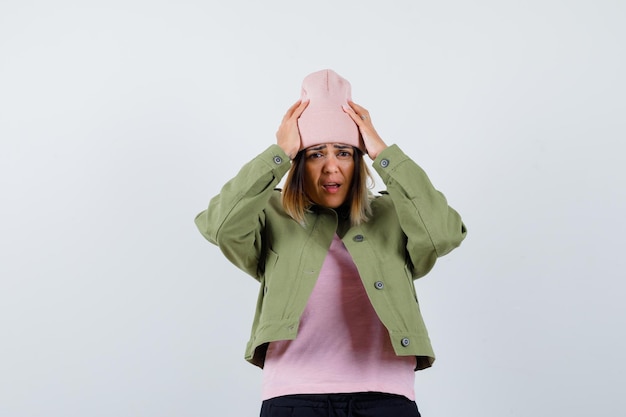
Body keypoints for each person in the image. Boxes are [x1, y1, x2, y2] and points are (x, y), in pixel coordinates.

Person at [194, 69, 467, 417]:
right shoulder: (272, 215)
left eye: (343, 152)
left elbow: (443, 234)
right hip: (294, 397)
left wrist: (384, 153)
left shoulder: (395, 214)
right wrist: (277, 153)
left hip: (385, 396)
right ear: (298, 162)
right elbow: (219, 226)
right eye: (314, 154)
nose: (330, 167)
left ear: (359, 159)